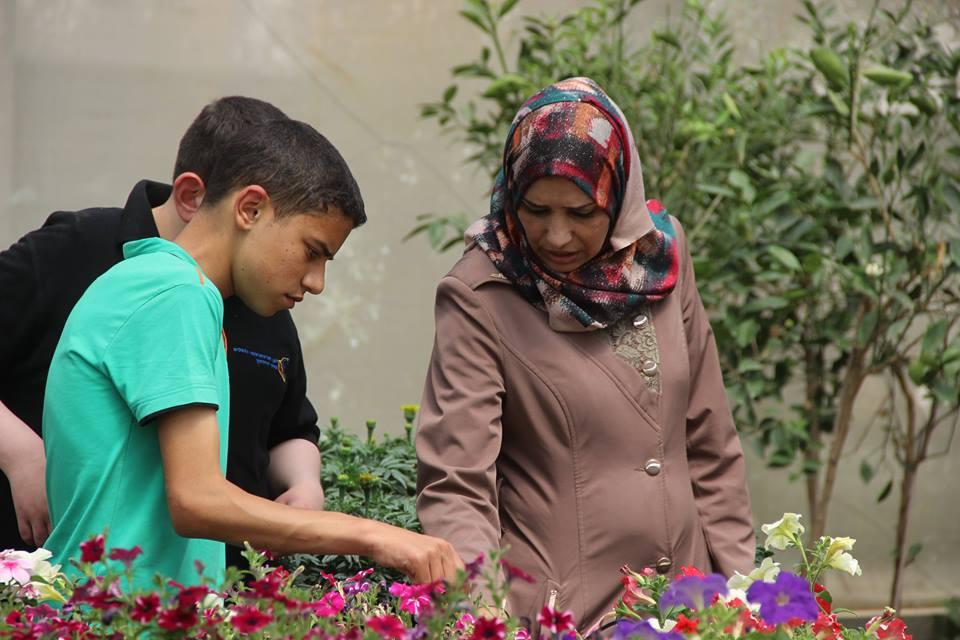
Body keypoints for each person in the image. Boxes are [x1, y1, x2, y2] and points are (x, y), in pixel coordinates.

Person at [36, 112, 461, 588]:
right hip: (110, 613)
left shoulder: (160, 284)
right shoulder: (175, 294)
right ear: (250, 209)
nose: (317, 282)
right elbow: (197, 500)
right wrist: (373, 534)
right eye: (312, 251)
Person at [415, 77, 755, 633]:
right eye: (535, 209)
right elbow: (458, 481)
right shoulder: (481, 292)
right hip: (566, 617)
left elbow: (710, 441)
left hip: (691, 607)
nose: (556, 236)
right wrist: (485, 614)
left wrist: (742, 597)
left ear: (617, 198)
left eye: (581, 212)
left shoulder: (660, 259)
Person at [0, 97, 324, 572]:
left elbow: (289, 425)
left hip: (210, 585)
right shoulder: (76, 250)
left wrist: (304, 486)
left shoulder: (265, 285)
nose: (314, 282)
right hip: (73, 579)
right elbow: (196, 499)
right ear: (206, 198)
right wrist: (18, 451)